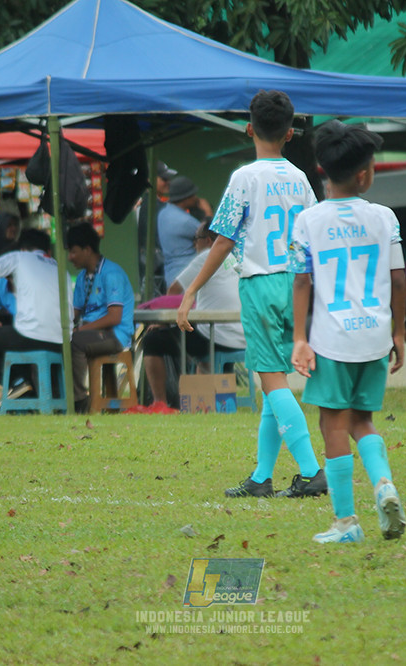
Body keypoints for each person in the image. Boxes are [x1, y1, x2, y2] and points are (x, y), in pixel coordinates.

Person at [177, 89, 326, 500]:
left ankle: (312, 470)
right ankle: (262, 477)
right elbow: (313, 235)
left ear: (248, 129)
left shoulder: (245, 178)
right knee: (269, 381)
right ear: (291, 134)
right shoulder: (300, 179)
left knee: (272, 380)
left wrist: (191, 291)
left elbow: (222, 240)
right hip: (295, 285)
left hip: (260, 284)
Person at [289, 120, 406, 544]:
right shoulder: (385, 218)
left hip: (331, 341)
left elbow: (302, 282)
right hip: (374, 337)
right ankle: (384, 484)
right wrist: (399, 333)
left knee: (332, 425)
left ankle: (346, 523)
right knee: (363, 420)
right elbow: (398, 280)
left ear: (322, 169)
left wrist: (300, 339)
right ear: (364, 175)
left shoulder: (308, 221)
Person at [141, 222, 245, 409]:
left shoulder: (207, 255)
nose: (193, 246)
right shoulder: (234, 258)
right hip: (241, 335)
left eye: (194, 240)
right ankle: (204, 400)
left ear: (206, 240)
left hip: (216, 335)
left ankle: (160, 403)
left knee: (152, 340)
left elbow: (174, 291)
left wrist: (167, 322)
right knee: (196, 337)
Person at [0, 228, 65, 415]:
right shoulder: (59, 268)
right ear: (47, 252)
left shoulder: (19, 258)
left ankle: (12, 386)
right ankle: (19, 385)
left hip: (30, 336)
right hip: (60, 341)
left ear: (22, 248)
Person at [67, 223, 136, 414]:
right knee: (63, 340)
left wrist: (81, 330)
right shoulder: (82, 277)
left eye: (73, 252)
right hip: (93, 333)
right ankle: (63, 397)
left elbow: (114, 317)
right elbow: (75, 313)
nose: (69, 257)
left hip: (115, 335)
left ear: (87, 250)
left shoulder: (111, 273)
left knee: (76, 342)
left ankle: (80, 400)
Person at [137, 161, 177, 295]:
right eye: (164, 179)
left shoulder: (153, 203)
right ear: (149, 180)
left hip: (156, 272)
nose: (168, 182)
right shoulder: (151, 206)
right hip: (157, 274)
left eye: (168, 179)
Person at [158, 176, 204, 286]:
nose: (196, 198)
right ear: (186, 198)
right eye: (193, 195)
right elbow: (212, 238)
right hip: (187, 276)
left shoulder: (163, 213)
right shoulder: (185, 221)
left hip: (171, 275)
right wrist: (207, 212)